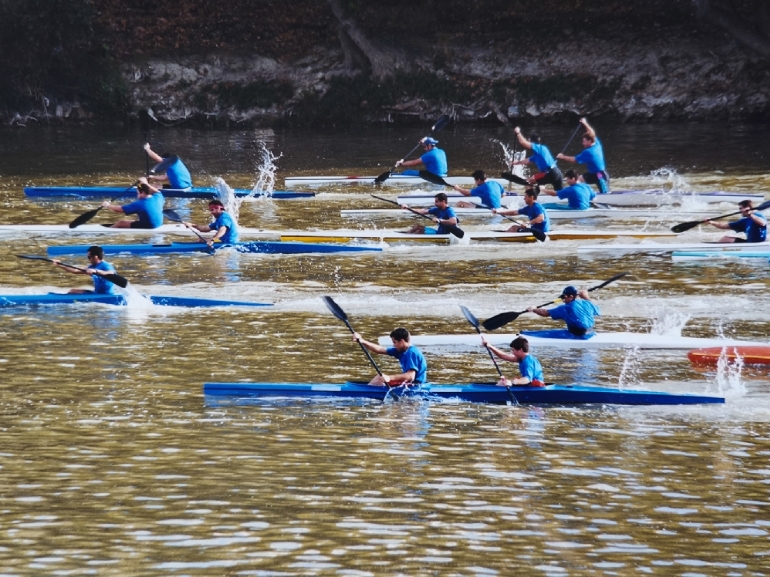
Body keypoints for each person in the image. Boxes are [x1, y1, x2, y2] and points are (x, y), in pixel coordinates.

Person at [351, 327, 428, 386]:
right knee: (380, 378)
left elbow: (410, 376)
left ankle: (364, 393)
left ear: (402, 341)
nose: (393, 345)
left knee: (379, 379)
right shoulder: (401, 350)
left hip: (416, 385)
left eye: (394, 342)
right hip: (410, 384)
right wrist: (362, 341)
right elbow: (380, 349)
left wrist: (389, 378)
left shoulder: (411, 353)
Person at [557, 118, 610, 194]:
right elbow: (591, 132)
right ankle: (577, 193)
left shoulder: (589, 152)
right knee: (578, 179)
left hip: (600, 175)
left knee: (605, 194)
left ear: (589, 141)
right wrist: (585, 124)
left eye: (584, 142)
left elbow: (574, 160)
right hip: (592, 174)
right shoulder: (596, 143)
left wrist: (562, 157)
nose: (583, 143)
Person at [528, 285, 601, 337]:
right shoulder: (587, 302)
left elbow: (545, 313)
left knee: (537, 334)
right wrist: (586, 296)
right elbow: (598, 310)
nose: (563, 299)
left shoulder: (566, 307)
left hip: (577, 335)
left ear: (571, 296)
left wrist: (533, 309)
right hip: (590, 333)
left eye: (564, 297)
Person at [480, 335, 545, 387]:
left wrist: (512, 382)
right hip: (530, 385)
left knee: (503, 383)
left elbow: (527, 379)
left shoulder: (528, 361)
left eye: (513, 350)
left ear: (520, 350)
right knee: (501, 383)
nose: (512, 352)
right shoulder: (522, 358)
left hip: (536, 387)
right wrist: (490, 346)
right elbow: (503, 356)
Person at [100, 177, 165, 229]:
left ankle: (107, 233)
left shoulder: (140, 204)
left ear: (143, 192)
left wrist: (108, 205)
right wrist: (146, 183)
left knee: (120, 223)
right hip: (159, 223)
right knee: (131, 220)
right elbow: (157, 191)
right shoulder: (158, 197)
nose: (137, 196)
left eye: (138, 193)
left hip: (150, 226)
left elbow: (120, 209)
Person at [51, 245, 118, 295]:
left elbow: (110, 273)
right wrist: (60, 265)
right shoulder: (92, 266)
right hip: (97, 293)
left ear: (95, 257)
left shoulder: (106, 265)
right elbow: (75, 270)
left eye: (89, 257)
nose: (88, 259)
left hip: (107, 294)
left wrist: (96, 271)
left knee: (72, 292)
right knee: (72, 291)